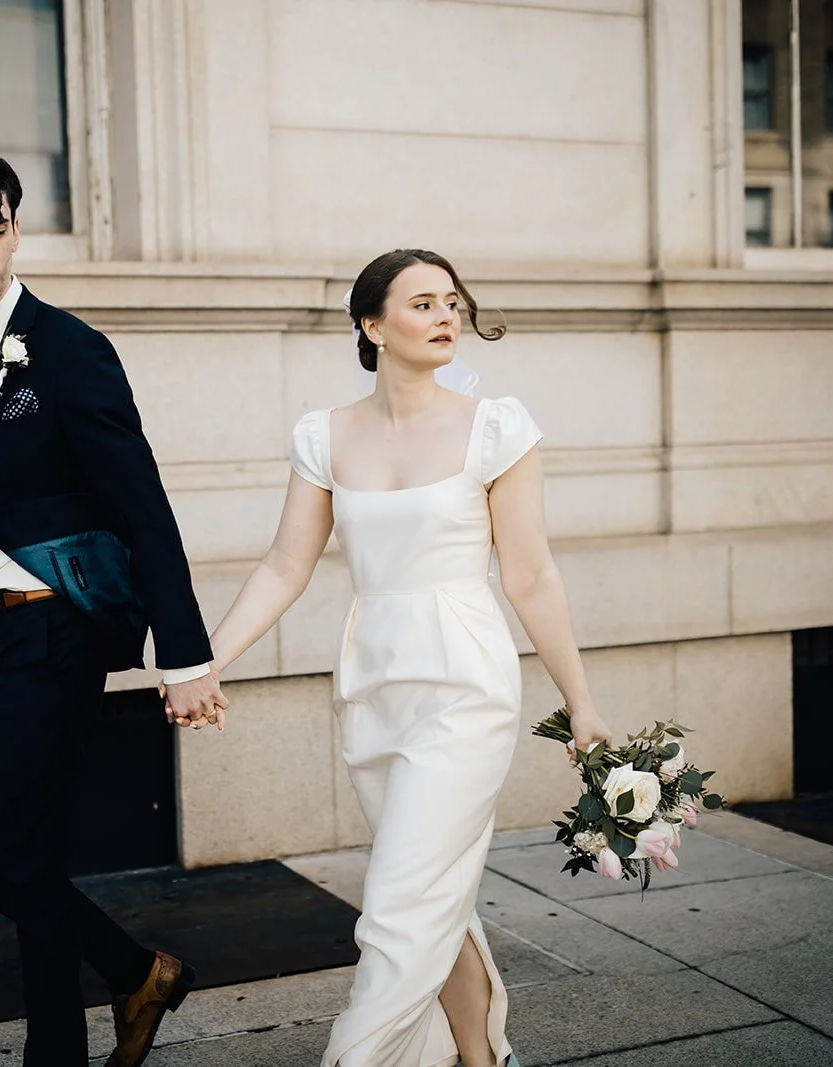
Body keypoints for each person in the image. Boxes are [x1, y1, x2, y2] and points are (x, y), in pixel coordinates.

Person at [190, 250, 612, 1066]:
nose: (446, 315)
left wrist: (582, 700)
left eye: (452, 301)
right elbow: (286, 564)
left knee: (396, 906)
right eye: (422, 303)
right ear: (372, 324)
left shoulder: (497, 426)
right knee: (431, 896)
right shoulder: (323, 434)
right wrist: (207, 662)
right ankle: (483, 1057)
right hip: (374, 684)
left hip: (465, 681)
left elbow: (530, 575)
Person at [0, 126, 226, 1067]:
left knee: (32, 864)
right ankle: (137, 972)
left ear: (16, 235)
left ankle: (57, 1054)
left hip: (53, 636)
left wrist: (184, 651)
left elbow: (142, 502)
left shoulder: (69, 349)